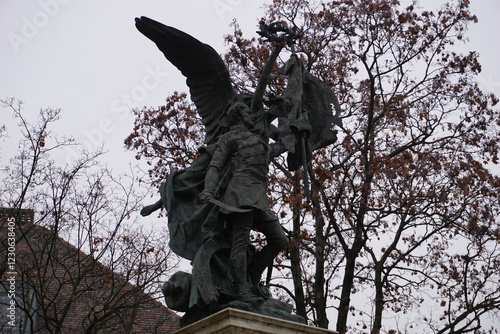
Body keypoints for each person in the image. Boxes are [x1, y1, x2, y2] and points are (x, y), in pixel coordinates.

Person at [198, 102, 289, 303]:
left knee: (280, 240)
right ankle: (242, 290)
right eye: (247, 112)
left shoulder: (256, 140)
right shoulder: (228, 138)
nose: (251, 115)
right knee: (240, 242)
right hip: (239, 193)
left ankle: (251, 278)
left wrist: (297, 132)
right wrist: (209, 190)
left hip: (259, 195)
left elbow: (273, 151)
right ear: (238, 116)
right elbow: (215, 166)